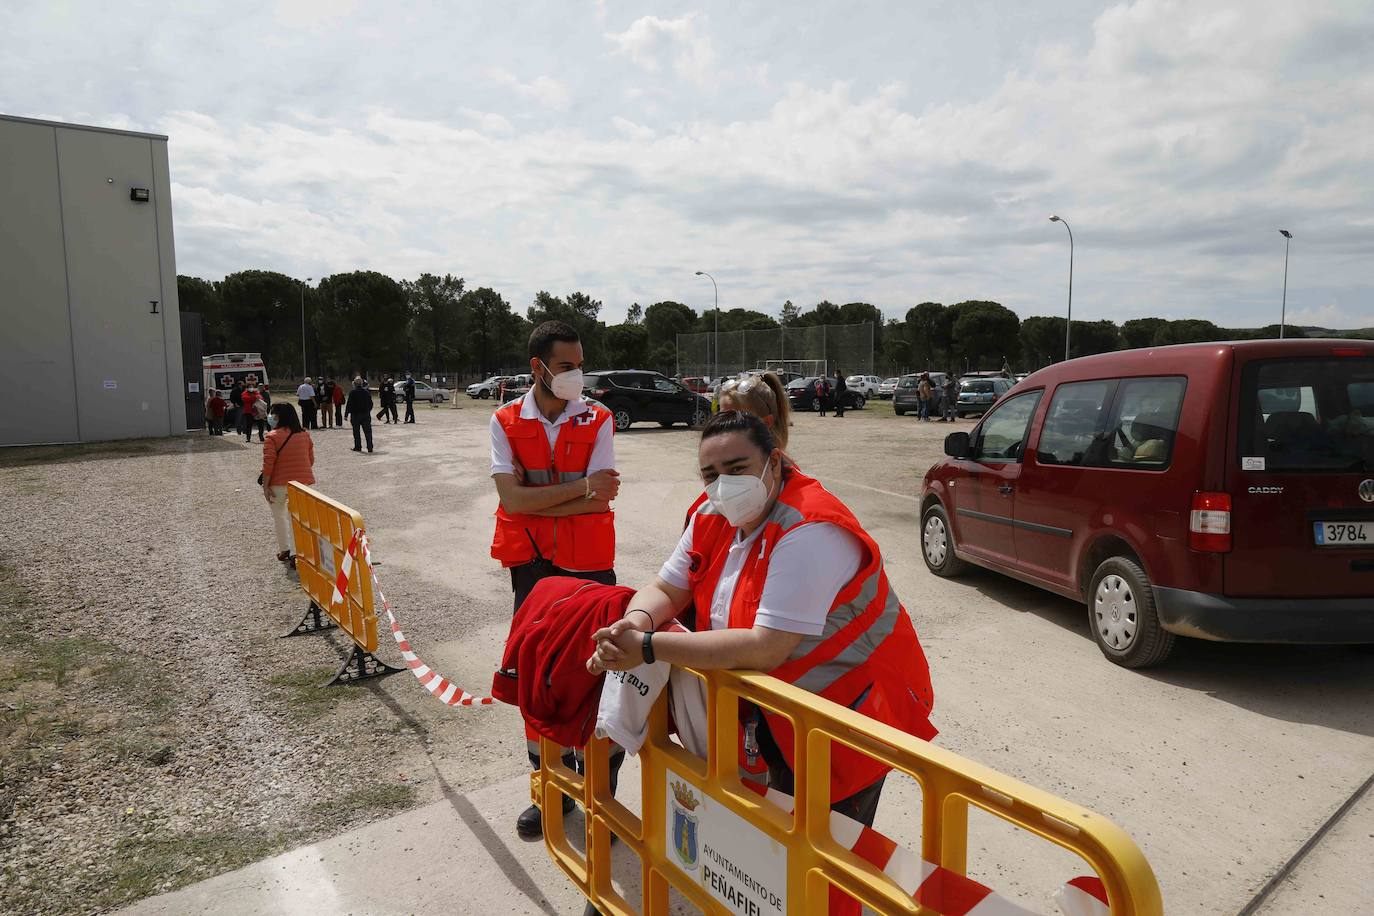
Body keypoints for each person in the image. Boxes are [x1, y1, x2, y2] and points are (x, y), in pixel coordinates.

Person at [588, 411, 936, 911]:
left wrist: (647, 648)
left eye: (737, 466)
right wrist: (637, 619)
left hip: (847, 718)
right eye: (710, 474)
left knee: (825, 857)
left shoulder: (811, 526)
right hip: (775, 714)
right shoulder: (712, 515)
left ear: (774, 461)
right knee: (765, 851)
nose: (723, 484)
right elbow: (668, 586)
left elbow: (766, 646)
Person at [489, 319, 621, 840]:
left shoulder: (600, 417)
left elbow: (604, 494)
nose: (576, 375)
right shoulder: (505, 419)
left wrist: (540, 500)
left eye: (578, 365)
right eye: (566, 366)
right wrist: (578, 491)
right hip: (532, 567)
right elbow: (510, 501)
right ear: (537, 368)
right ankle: (550, 791)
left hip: (590, 565)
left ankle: (600, 798)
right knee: (536, 676)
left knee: (596, 676)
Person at [261, 403, 315, 564]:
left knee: (279, 516)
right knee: (297, 518)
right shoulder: (305, 434)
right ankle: (296, 552)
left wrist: (266, 486)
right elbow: (310, 459)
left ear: (278, 416)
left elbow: (268, 464)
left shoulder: (272, 436)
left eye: (273, 414)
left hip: (278, 483)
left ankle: (285, 548)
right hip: (301, 483)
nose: (271, 417)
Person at [716, 372, 791, 453]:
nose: (724, 427)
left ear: (766, 423)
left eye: (736, 421)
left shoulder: (773, 463)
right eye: (721, 418)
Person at [345, 377, 374, 453]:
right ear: (361, 383)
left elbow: (349, 404)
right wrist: (368, 411)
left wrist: (346, 414)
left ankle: (358, 447)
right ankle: (370, 447)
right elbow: (371, 404)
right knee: (368, 432)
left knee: (356, 432)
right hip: (365, 414)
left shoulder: (352, 392)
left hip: (355, 415)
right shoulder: (366, 392)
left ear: (354, 384)